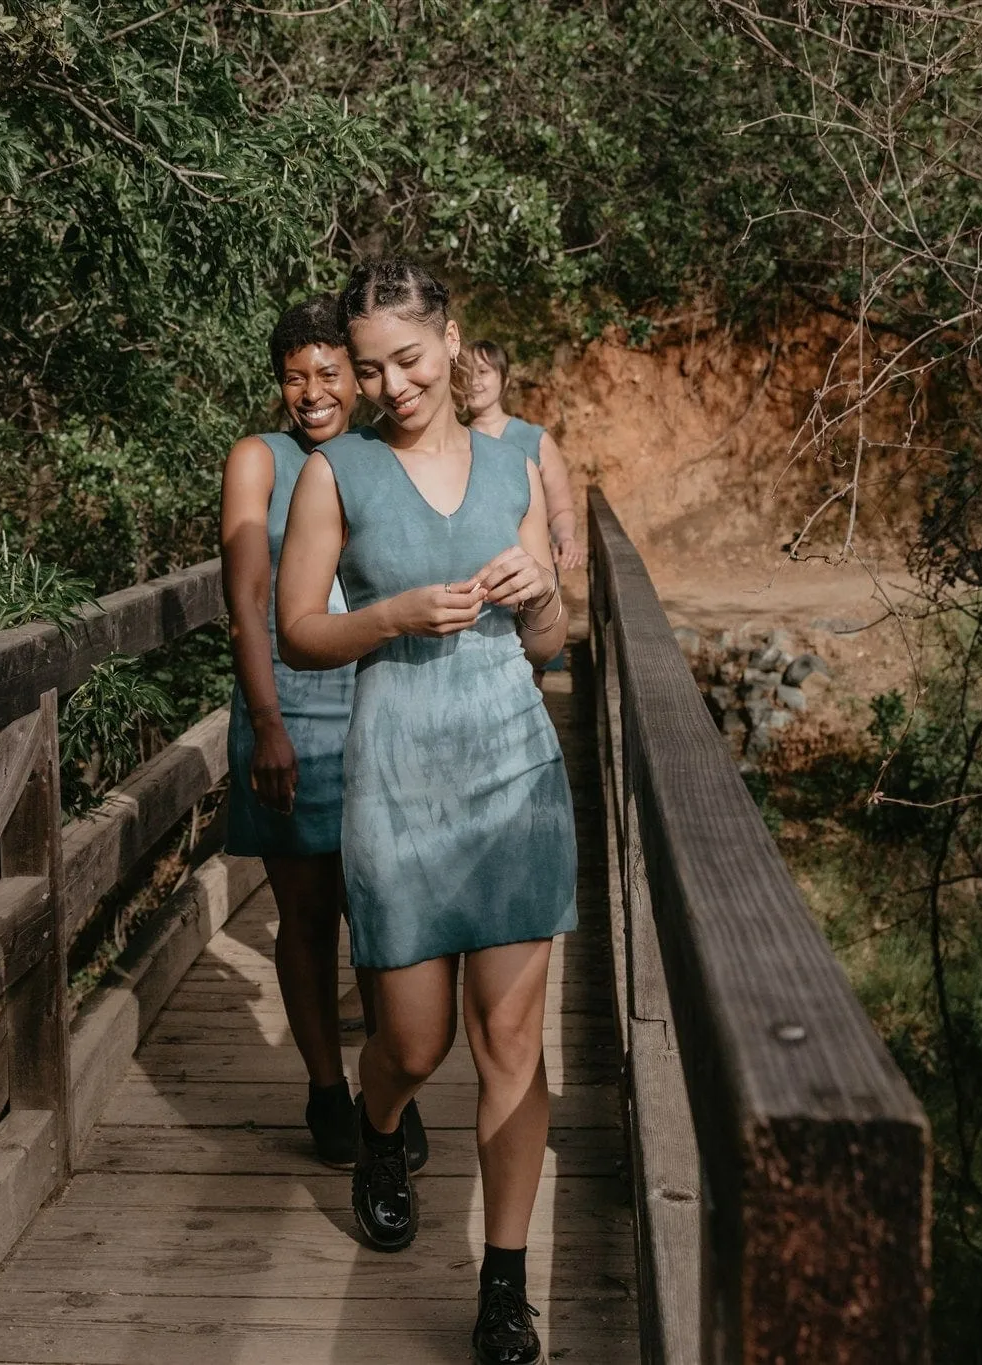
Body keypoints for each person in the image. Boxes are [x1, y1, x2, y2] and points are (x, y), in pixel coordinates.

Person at [277, 261, 576, 1365]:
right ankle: (381, 1126)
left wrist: (543, 598)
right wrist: (390, 613)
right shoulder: (333, 476)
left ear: (450, 342)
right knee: (412, 1041)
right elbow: (298, 627)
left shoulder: (517, 463)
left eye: (407, 358)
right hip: (397, 771)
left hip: (512, 771)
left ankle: (504, 1289)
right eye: (369, 369)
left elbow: (548, 644)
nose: (391, 384)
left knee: (510, 1042)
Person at [219, 296, 427, 1171]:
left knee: (382, 912)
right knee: (306, 916)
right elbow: (245, 601)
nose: (313, 391)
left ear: (359, 376)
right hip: (290, 716)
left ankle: (388, 1086)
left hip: (381, 705)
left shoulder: (383, 455)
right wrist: (268, 725)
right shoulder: (256, 460)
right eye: (296, 376)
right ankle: (325, 1088)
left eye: (330, 373)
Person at [467, 340, 587, 573]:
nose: (474, 381)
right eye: (467, 373)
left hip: (533, 575)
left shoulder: (536, 439)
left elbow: (561, 509)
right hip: (475, 580)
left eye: (483, 372)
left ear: (505, 380)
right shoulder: (450, 442)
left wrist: (565, 538)